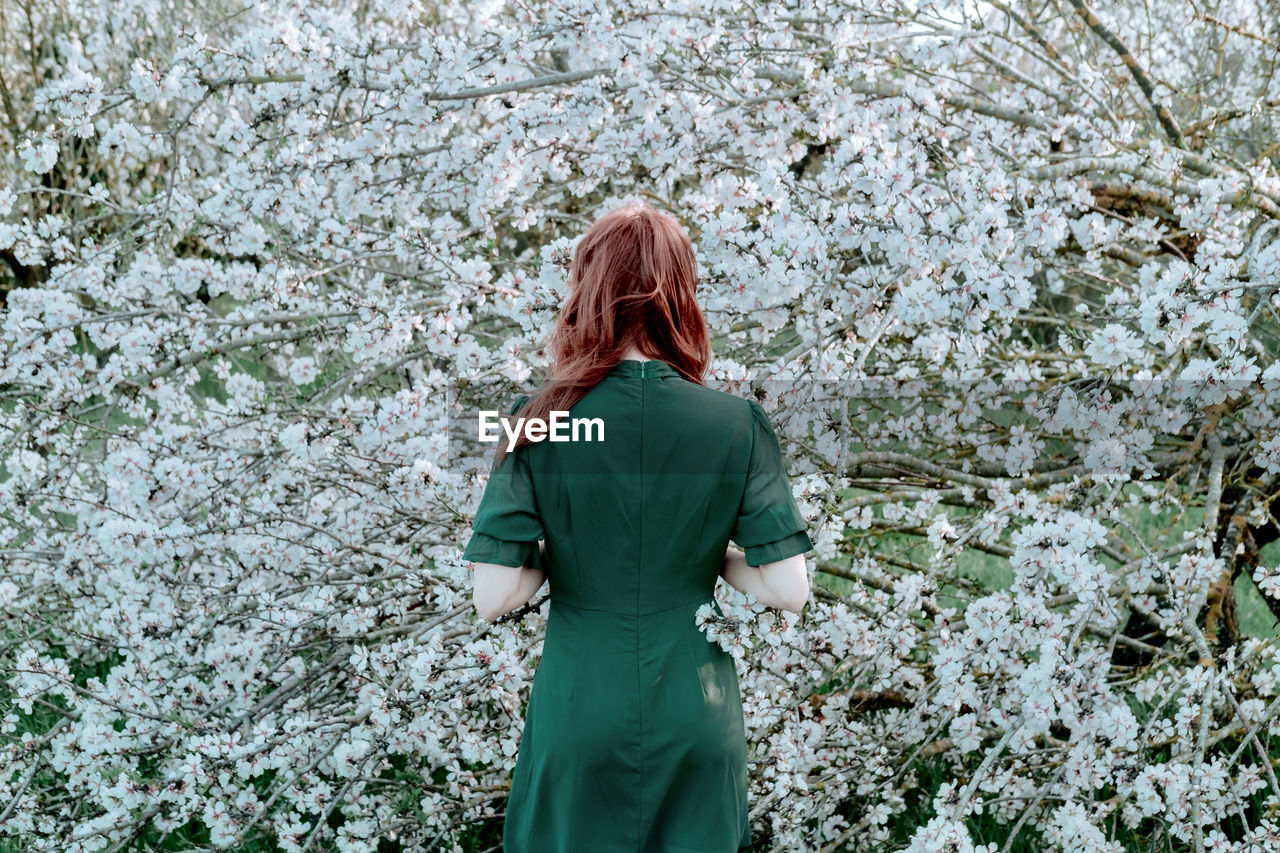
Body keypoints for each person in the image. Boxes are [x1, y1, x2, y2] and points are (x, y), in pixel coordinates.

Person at [461, 200, 814, 852]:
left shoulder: (538, 419)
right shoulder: (739, 425)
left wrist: (553, 557)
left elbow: (493, 595)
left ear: (588, 290)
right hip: (697, 712)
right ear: (682, 293)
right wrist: (715, 558)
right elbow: (789, 587)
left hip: (579, 709)